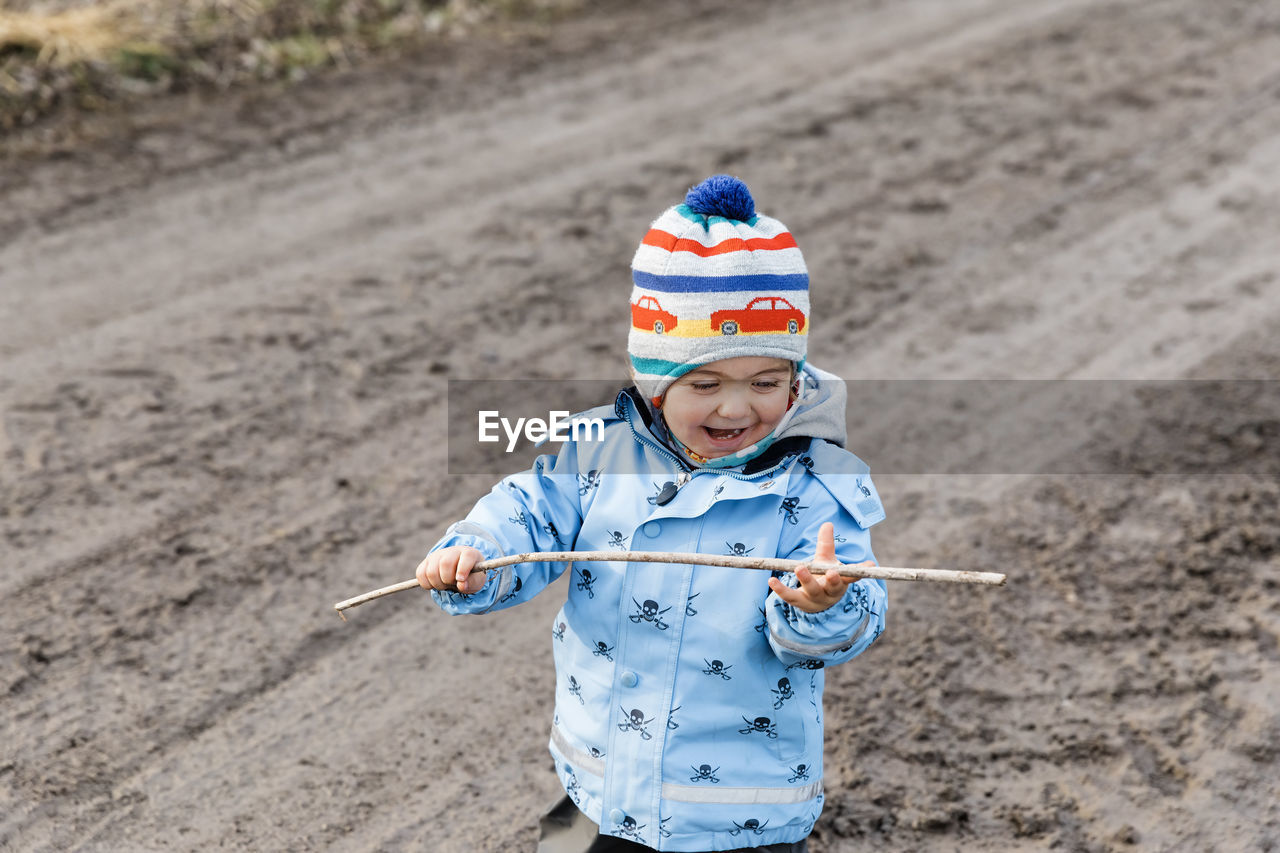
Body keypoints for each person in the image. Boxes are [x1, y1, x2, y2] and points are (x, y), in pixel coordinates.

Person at [416, 175, 887, 853]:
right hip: (601, 784)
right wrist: (477, 552)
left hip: (737, 812)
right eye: (704, 384)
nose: (735, 409)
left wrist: (819, 606)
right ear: (655, 382)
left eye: (764, 382)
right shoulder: (594, 451)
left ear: (795, 378)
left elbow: (852, 615)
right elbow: (528, 511)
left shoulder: (816, 484)